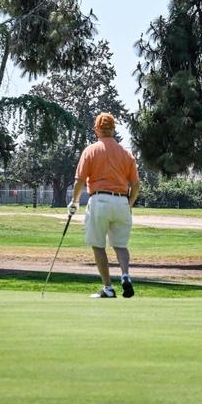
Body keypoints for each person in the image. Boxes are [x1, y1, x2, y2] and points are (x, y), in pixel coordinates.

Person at [70, 113, 140, 298]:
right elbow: (136, 185)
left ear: (96, 129)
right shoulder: (126, 153)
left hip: (99, 200)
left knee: (98, 245)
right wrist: (129, 204)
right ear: (114, 128)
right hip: (122, 202)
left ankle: (108, 288)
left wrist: (74, 201)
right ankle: (125, 275)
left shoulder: (91, 150)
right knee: (120, 245)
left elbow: (79, 181)